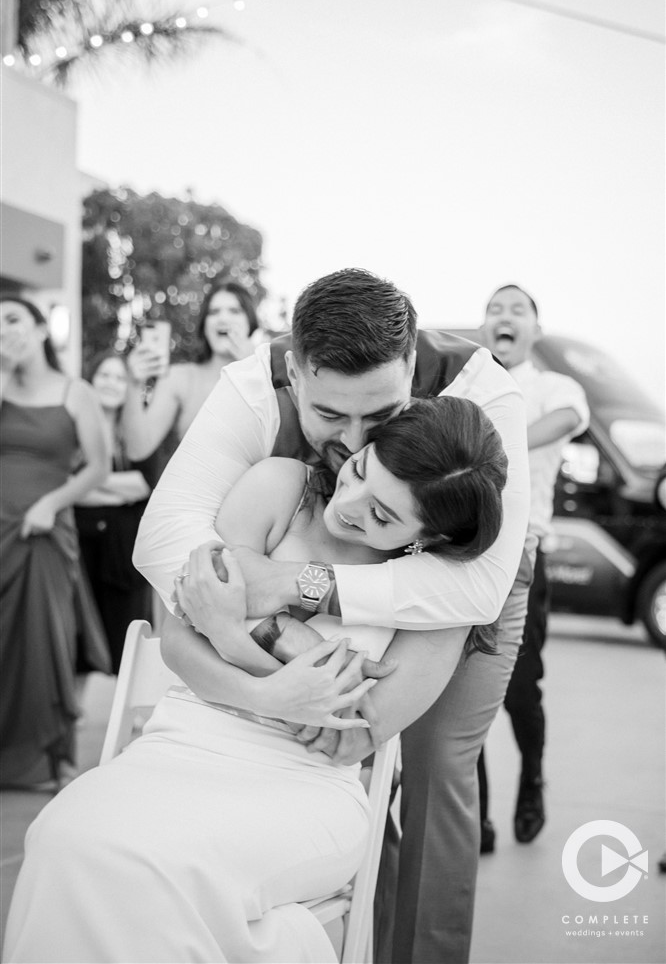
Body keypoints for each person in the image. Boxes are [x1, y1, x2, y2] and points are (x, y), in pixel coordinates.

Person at [3, 396, 510, 964]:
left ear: (432, 538)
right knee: (62, 837)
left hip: (305, 783)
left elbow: (348, 732)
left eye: (384, 517)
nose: (350, 505)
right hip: (182, 741)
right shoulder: (281, 487)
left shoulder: (444, 594)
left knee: (156, 868)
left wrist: (233, 632)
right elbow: (179, 636)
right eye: (362, 470)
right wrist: (277, 680)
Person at [132, 267, 533, 964]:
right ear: (295, 372)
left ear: (410, 365)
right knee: (331, 758)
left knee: (433, 767)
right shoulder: (253, 389)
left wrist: (290, 588)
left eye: (378, 419)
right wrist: (272, 647)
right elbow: (167, 543)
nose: (350, 441)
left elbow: (476, 590)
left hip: (463, 570)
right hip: (304, 534)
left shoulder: (486, 389)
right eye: (328, 416)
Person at [476, 284, 589, 852]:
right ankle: (477, 817)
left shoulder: (551, 386)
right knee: (460, 685)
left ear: (534, 331)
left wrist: (487, 436)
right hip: (467, 549)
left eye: (518, 310)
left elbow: (569, 417)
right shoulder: (469, 385)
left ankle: (532, 781)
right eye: (496, 309)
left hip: (524, 552)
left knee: (521, 687)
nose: (506, 317)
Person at [0, 295, 111, 790]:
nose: (7, 330)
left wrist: (51, 503)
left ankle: (43, 761)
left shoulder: (75, 391)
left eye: (13, 319)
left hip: (41, 532)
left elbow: (98, 466)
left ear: (42, 329)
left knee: (41, 639)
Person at [74, 351, 156, 674]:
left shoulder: (139, 430)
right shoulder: (74, 427)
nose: (111, 383)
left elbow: (143, 484)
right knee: (78, 641)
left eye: (120, 377)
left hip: (124, 549)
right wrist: (116, 488)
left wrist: (90, 479)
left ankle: (132, 720)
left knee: (127, 639)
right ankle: (74, 719)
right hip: (82, 546)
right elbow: (66, 488)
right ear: (90, 381)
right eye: (104, 375)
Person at [121, 278, 259, 463]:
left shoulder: (267, 375)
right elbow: (137, 450)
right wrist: (134, 383)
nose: (223, 318)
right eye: (213, 312)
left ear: (250, 322)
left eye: (234, 311)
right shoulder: (179, 377)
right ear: (205, 326)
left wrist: (253, 370)